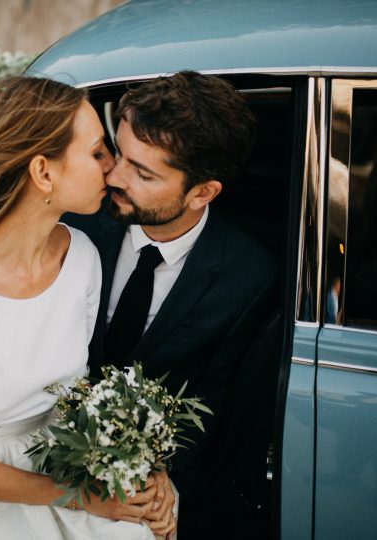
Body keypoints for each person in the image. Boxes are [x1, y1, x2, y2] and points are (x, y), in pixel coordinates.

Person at [0, 77, 177, 540]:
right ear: (44, 173)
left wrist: (137, 476)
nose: (113, 168)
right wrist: (84, 497)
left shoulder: (80, 253)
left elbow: (79, 394)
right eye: (98, 151)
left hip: (67, 457)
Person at [64, 71, 279, 538]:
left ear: (203, 192)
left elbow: (216, 400)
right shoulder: (73, 219)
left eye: (143, 172)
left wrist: (155, 475)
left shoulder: (249, 276)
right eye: (120, 153)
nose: (114, 176)